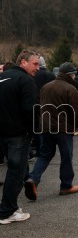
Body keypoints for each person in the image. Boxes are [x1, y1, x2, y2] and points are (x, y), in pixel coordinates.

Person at [24, 62, 78, 201]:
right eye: (74, 74)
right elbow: (76, 111)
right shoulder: (70, 88)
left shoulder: (46, 87)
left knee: (44, 155)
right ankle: (66, 185)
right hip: (63, 128)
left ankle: (33, 179)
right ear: (70, 75)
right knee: (66, 156)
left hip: (45, 126)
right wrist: (75, 126)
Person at [0, 50, 40, 224]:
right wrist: (33, 132)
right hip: (18, 134)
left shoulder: (3, 76)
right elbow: (31, 110)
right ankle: (7, 211)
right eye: (35, 64)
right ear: (23, 62)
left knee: (15, 171)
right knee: (16, 173)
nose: (37, 68)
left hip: (3, 133)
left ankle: (11, 207)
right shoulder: (26, 81)